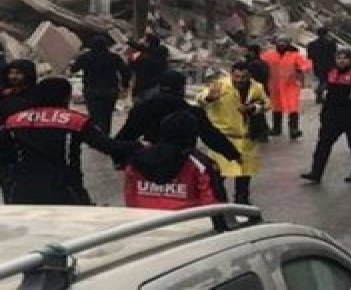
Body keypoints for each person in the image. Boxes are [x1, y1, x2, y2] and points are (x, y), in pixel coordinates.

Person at [0, 76, 131, 205]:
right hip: (66, 190)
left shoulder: (14, 121)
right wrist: (136, 148)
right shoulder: (75, 121)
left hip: (23, 190)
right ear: (65, 96)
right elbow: (108, 146)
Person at [115, 70, 243, 164]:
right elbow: (211, 136)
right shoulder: (192, 111)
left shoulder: (143, 109)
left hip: (151, 159)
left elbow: (127, 134)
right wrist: (233, 154)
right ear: (182, 88)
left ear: (159, 87)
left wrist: (119, 158)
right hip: (183, 162)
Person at [195, 62, 270, 205]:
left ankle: (242, 201)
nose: (240, 80)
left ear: (249, 76)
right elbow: (200, 99)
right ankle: (217, 202)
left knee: (244, 174)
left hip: (247, 139)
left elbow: (266, 103)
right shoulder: (220, 86)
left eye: (244, 77)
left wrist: (253, 108)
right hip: (224, 139)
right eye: (237, 77)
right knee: (218, 174)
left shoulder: (257, 87)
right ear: (231, 74)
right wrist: (210, 97)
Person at [123, 111, 226, 210]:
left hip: (144, 219)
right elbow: (212, 203)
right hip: (189, 220)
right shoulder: (199, 163)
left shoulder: (136, 160)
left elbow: (130, 196)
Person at [302, 49, 351, 184]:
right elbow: (328, 97)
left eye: (344, 58)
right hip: (333, 116)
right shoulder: (332, 73)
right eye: (339, 58)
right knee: (323, 144)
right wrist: (324, 114)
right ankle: (316, 172)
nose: (341, 61)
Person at [0, 59, 39, 202]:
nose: (13, 77)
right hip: (5, 154)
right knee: (10, 194)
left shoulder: (37, 97)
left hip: (32, 153)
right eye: (11, 73)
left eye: (18, 73)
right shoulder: (2, 97)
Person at [69, 35, 132, 135]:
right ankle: (105, 135)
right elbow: (125, 72)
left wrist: (73, 62)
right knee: (107, 115)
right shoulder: (114, 57)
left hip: (91, 90)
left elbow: (73, 69)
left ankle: (98, 136)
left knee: (95, 115)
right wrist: (125, 84)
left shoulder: (85, 57)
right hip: (110, 90)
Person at [261, 38, 312, 140]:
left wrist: (301, 69)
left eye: (283, 43)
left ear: (288, 44)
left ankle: (294, 129)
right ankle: (276, 129)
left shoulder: (295, 55)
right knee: (276, 107)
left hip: (291, 86)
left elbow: (307, 64)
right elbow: (260, 62)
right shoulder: (269, 55)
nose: (281, 45)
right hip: (274, 86)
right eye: (279, 43)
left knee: (292, 107)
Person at [129, 33, 170, 99]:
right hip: (157, 84)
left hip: (145, 86)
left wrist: (131, 58)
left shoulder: (144, 57)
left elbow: (132, 65)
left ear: (148, 43)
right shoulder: (160, 53)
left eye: (145, 40)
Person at [307, 27, 338, 104]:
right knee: (328, 81)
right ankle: (320, 91)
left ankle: (319, 97)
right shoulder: (331, 43)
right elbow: (334, 54)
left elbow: (309, 56)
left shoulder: (311, 44)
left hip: (317, 65)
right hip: (329, 64)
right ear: (326, 33)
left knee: (322, 80)